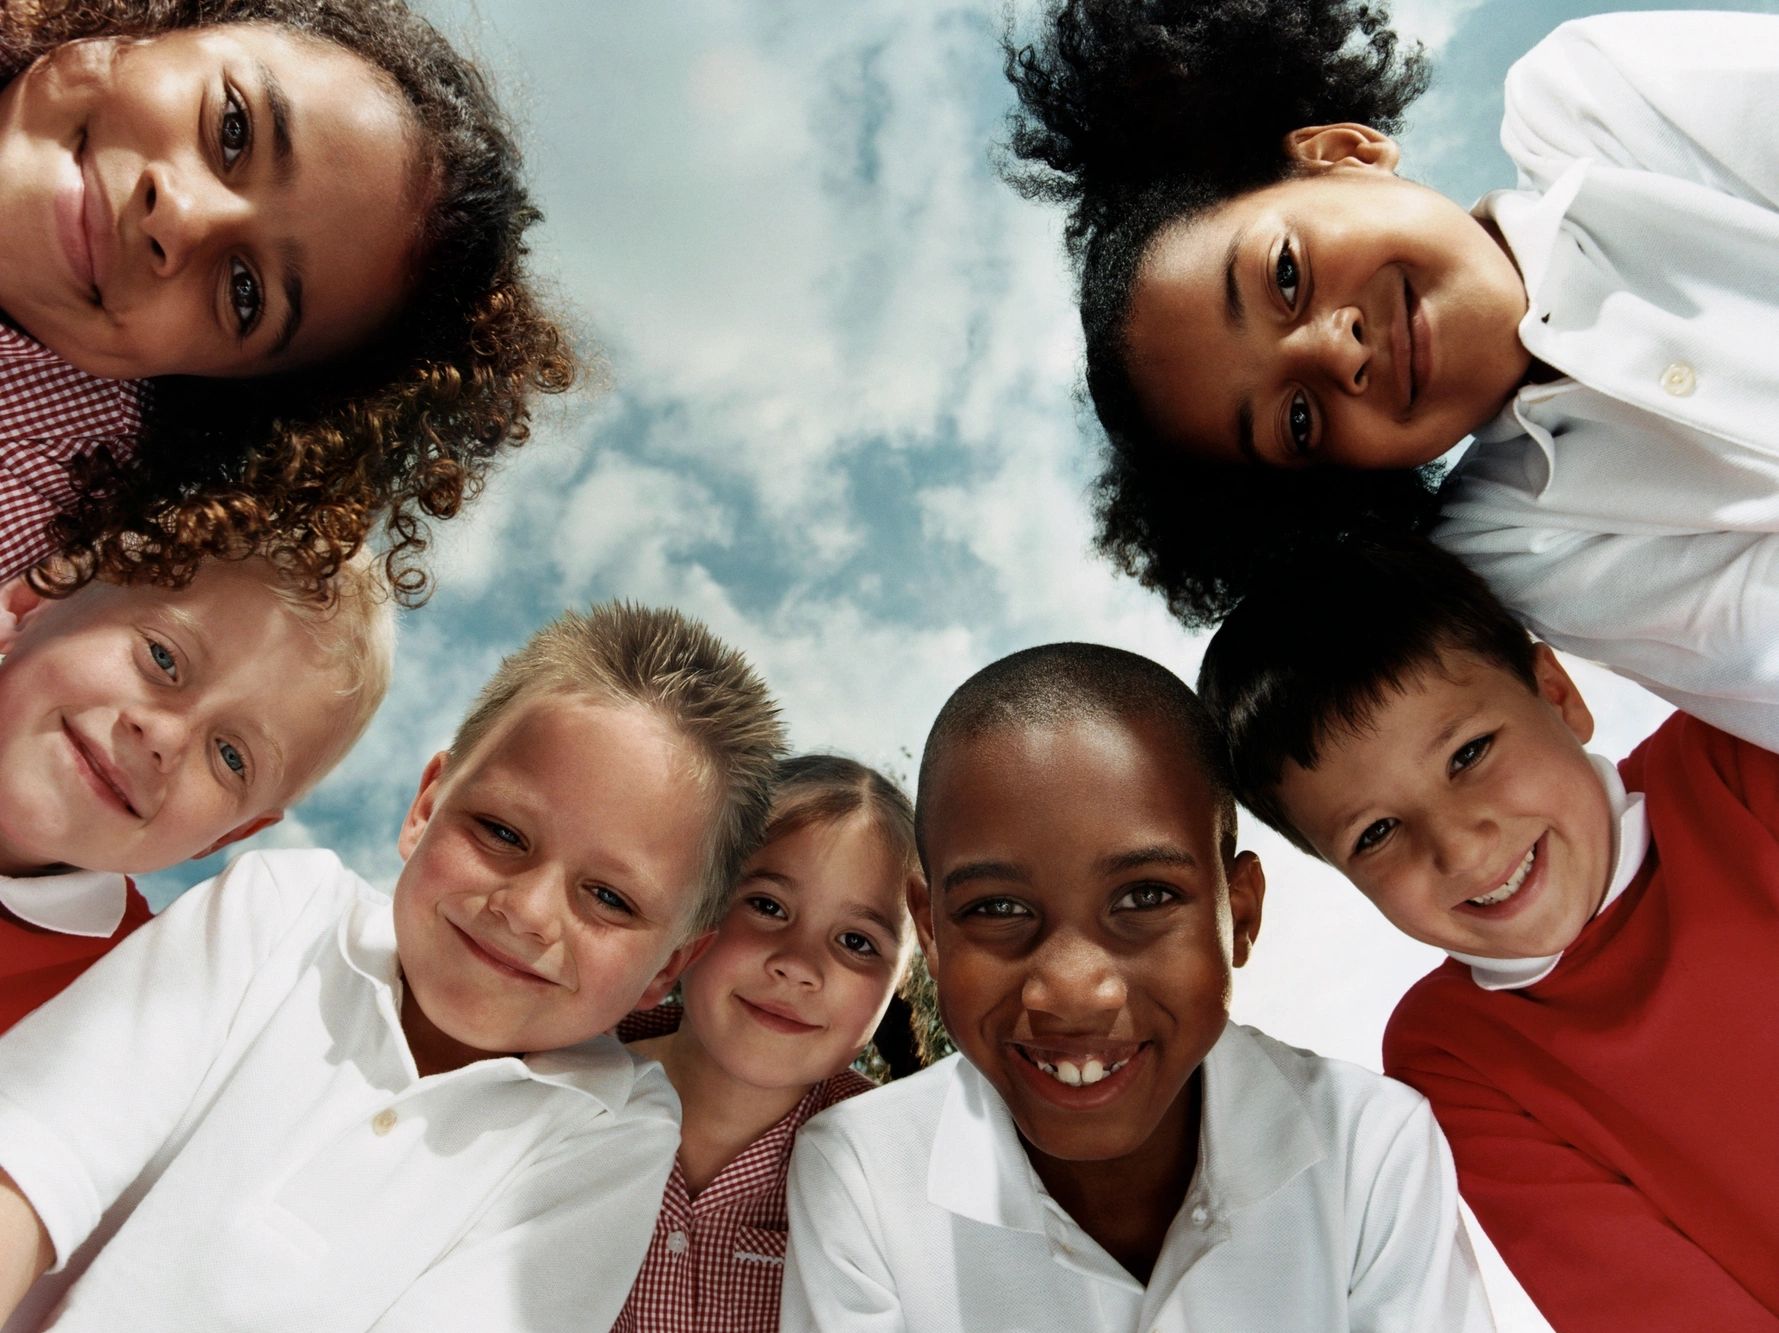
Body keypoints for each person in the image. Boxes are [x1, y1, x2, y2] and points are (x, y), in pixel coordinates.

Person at [1003, 2, 1779, 749]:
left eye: (1284, 275)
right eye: (1298, 420)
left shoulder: (1593, 100)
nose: (1337, 352)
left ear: (1345, 152)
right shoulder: (1519, 542)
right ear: (1339, 479)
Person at [0, 600, 786, 1331]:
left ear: (668, 966)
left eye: (610, 898)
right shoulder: (280, 910)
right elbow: (33, 1159)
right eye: (502, 833)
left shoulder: (611, 1134)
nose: (529, 911)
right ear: (425, 807)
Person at [781, 643, 1492, 1332]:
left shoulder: (1370, 1148)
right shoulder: (862, 1172)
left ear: (1238, 912)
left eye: (1145, 895)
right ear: (930, 934)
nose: (1071, 989)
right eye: (995, 908)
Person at [1198, 534, 1779, 1329]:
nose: (1461, 847)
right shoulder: (1452, 1052)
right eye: (1373, 833)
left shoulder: (1734, 756)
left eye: (1468, 753)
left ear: (1557, 693)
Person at [0, 0, 574, 603]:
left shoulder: (54, 457)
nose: (181, 219)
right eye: (233, 128)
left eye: (244, 294)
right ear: (163, 22)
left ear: (197, 383)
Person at [0, 547, 392, 1034]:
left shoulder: (122, 1004)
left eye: (231, 757)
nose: (165, 737)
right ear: (30, 605)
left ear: (227, 837)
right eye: (162, 658)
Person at [615, 753, 918, 1333]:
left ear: (898, 983)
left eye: (856, 941)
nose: (798, 966)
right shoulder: (549, 1083)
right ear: (698, 900)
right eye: (767, 906)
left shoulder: (895, 1174)